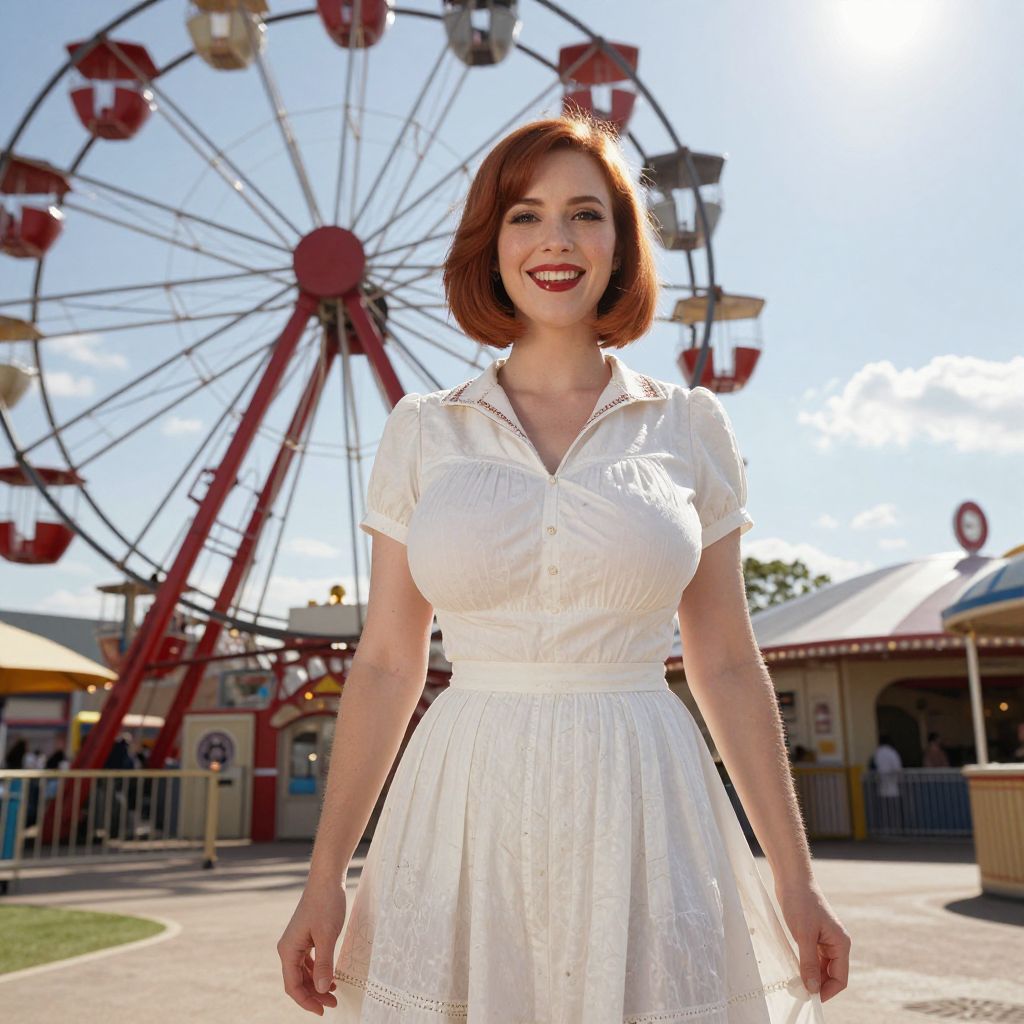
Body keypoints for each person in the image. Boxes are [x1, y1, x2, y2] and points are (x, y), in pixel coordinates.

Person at [277, 113, 849, 1021]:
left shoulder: (688, 425)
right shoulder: (424, 430)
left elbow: (729, 660)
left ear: (621, 246)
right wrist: (324, 878)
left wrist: (795, 878)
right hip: (464, 803)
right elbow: (389, 661)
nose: (556, 240)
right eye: (524, 215)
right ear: (490, 244)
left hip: (647, 800)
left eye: (586, 214)